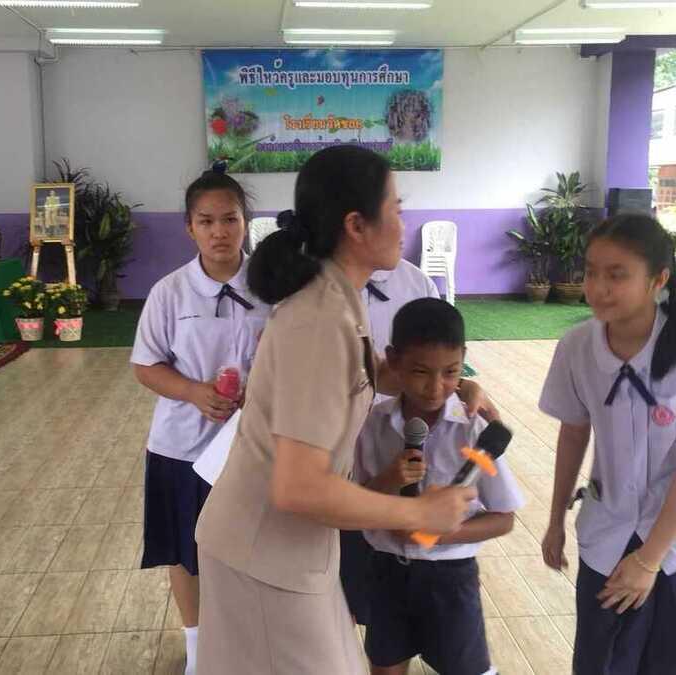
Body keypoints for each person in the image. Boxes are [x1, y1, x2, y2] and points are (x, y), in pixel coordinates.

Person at [194, 145, 488, 675]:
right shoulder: (318, 320)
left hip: (292, 550)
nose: (403, 223)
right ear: (356, 225)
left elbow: (364, 377)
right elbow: (298, 488)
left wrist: (454, 384)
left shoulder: (338, 300)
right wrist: (418, 513)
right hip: (262, 554)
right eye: (396, 208)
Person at [539, 213, 676, 675]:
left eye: (616, 275)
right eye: (591, 272)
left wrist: (648, 560)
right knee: (602, 659)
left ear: (658, 280)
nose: (598, 288)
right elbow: (574, 432)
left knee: (669, 659)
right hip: (613, 522)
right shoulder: (577, 346)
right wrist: (555, 519)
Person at [130, 167, 269, 675]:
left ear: (246, 222)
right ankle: (197, 647)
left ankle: (246, 641)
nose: (219, 232)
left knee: (251, 547)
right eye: (206, 221)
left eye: (229, 219)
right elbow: (146, 364)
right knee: (184, 550)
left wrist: (263, 391)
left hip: (252, 447)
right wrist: (194, 392)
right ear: (189, 228)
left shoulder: (272, 288)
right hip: (183, 446)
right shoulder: (170, 292)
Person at [354, 298, 523, 675]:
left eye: (450, 372)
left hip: (450, 577)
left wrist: (436, 533)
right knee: (385, 665)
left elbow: (504, 519)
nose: (435, 387)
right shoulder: (373, 424)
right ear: (392, 360)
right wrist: (389, 479)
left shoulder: (475, 429)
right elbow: (357, 502)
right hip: (386, 571)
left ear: (464, 361)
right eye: (420, 372)